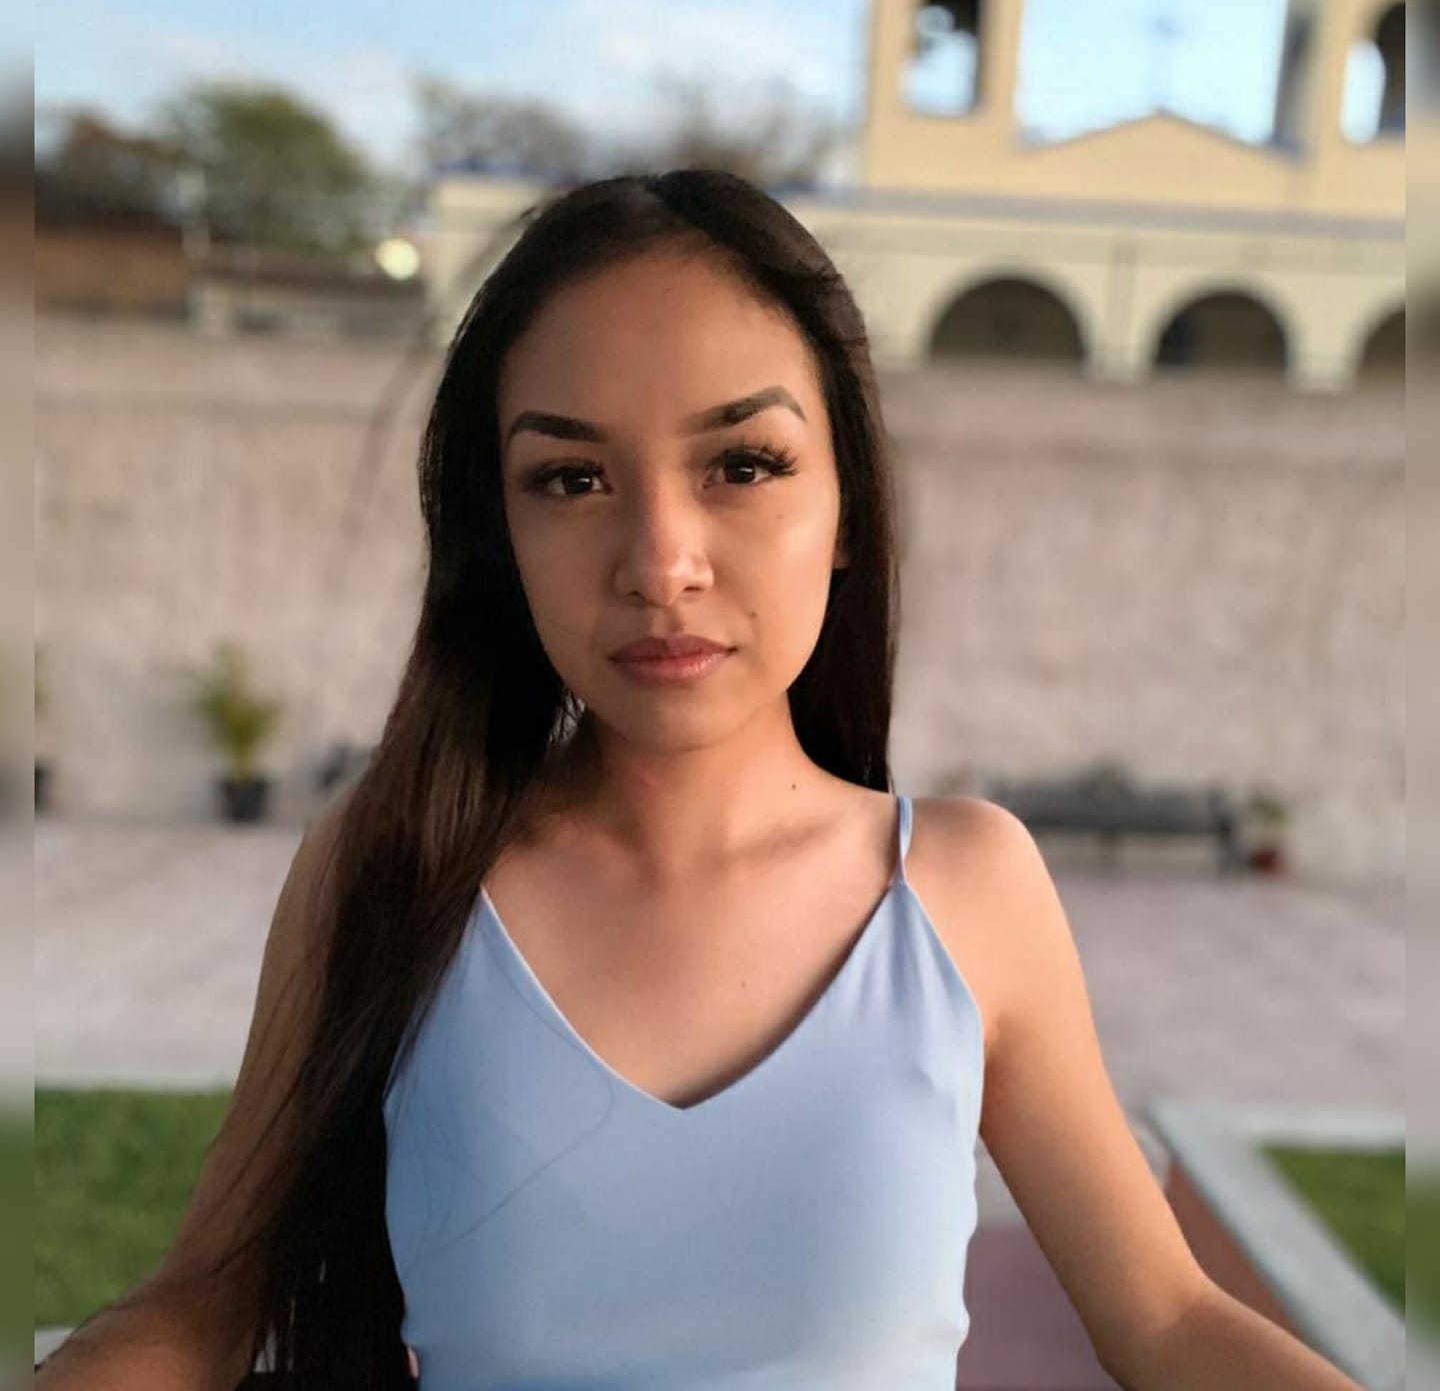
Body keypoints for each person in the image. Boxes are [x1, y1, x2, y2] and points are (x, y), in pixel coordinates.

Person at [36, 169, 1363, 1390]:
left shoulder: (965, 891)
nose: (660, 562)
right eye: (571, 478)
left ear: (847, 508)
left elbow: (1165, 1320)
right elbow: (199, 1310)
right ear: (500, 533)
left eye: (742, 465)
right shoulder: (393, 867)